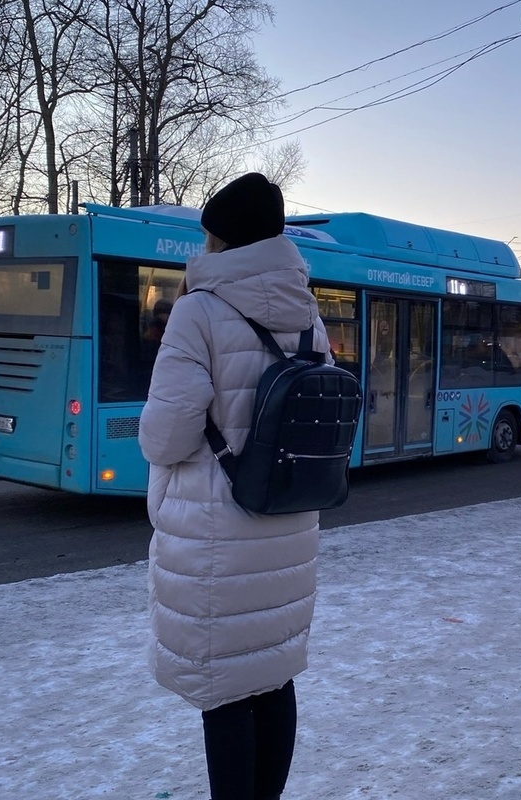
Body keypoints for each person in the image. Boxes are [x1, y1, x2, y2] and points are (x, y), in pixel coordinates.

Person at [138, 172, 331, 800]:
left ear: (222, 240)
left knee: (222, 692)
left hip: (216, 533)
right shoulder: (308, 317)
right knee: (273, 677)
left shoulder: (198, 310)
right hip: (288, 520)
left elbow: (165, 438)